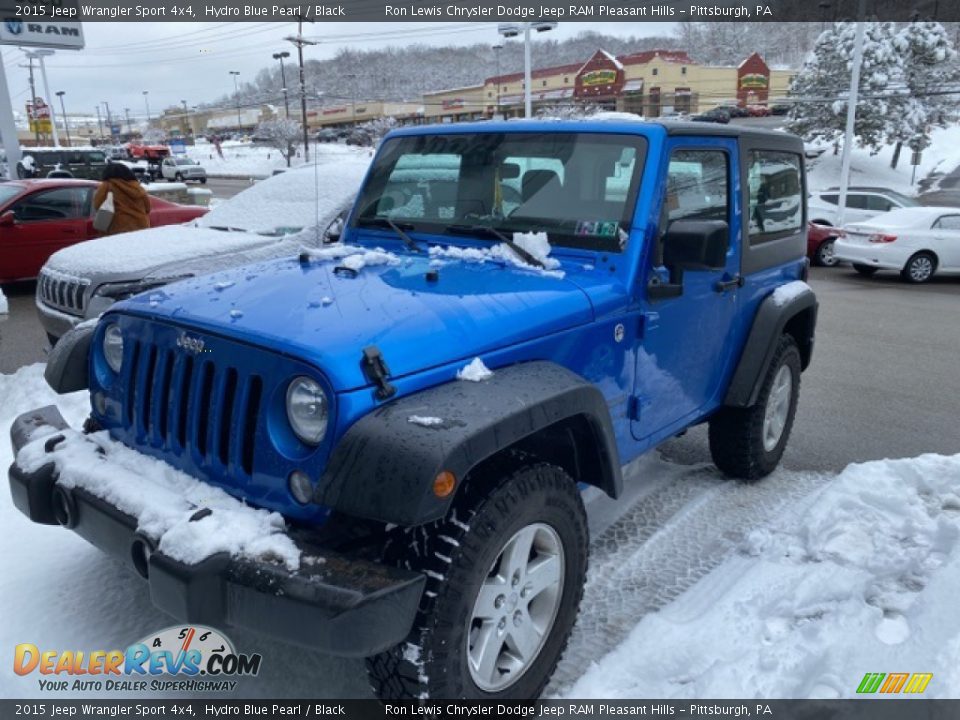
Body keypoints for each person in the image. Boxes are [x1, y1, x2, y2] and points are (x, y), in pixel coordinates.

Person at [93, 163, 151, 235]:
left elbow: (97, 204)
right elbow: (148, 208)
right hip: (141, 227)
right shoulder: (137, 187)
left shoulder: (107, 186)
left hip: (118, 229)